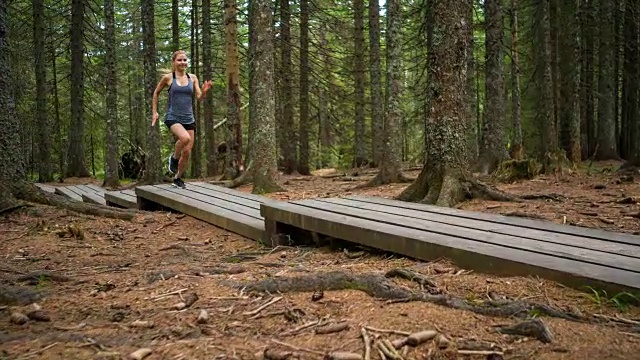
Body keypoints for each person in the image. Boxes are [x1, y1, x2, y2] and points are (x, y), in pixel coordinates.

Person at [151, 50, 211, 189]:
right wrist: (154, 112)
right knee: (185, 139)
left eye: (185, 60)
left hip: (189, 118)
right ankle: (174, 158)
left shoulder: (193, 78)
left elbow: (199, 98)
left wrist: (204, 91)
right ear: (174, 62)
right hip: (173, 117)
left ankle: (177, 178)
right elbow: (156, 93)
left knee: (188, 151)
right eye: (179, 60)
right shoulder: (168, 78)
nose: (183, 62)